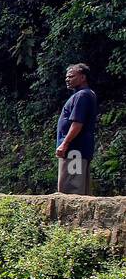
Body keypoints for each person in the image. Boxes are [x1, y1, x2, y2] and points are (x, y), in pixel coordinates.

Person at [57, 63, 97, 195]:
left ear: (83, 77)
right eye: (66, 77)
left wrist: (65, 143)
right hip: (76, 151)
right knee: (76, 186)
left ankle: (70, 217)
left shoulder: (82, 96)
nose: (67, 79)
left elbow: (77, 124)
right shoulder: (85, 94)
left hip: (75, 151)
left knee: (72, 188)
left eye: (71, 76)